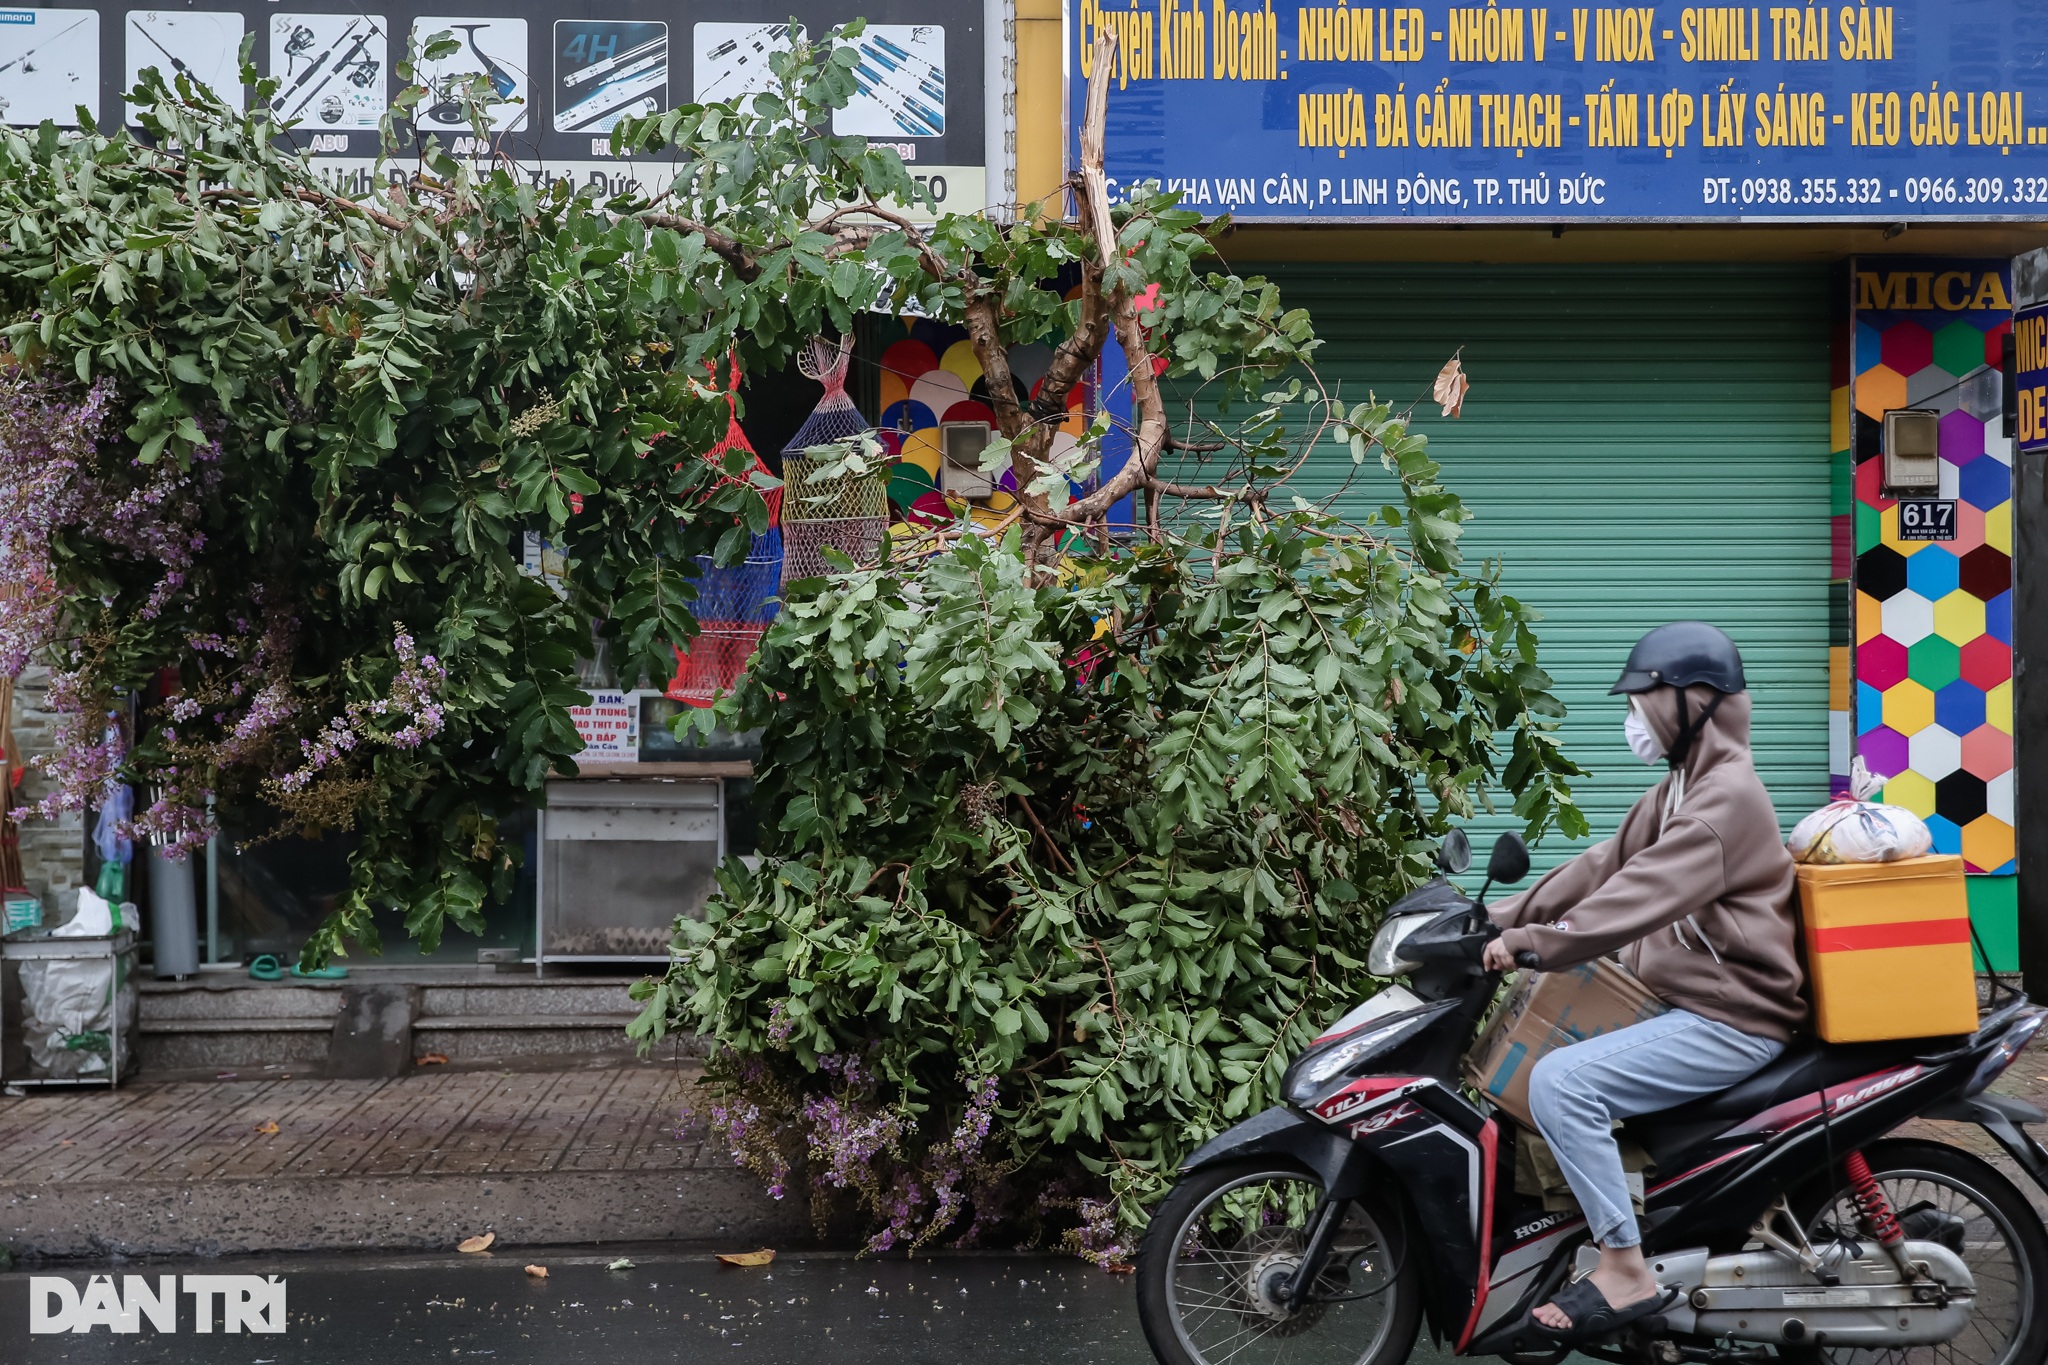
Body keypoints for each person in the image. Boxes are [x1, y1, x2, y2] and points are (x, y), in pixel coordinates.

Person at [1478, 621, 1807, 1342]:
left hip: (1732, 1021)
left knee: (1562, 1080)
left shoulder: (1724, 802)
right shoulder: (1685, 785)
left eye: (1642, 700)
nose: (1633, 718)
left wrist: (1532, 943)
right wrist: (1489, 915)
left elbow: (1634, 897)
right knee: (1526, 1059)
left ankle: (1624, 1268)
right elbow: (1604, 863)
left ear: (1693, 702)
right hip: (1688, 1004)